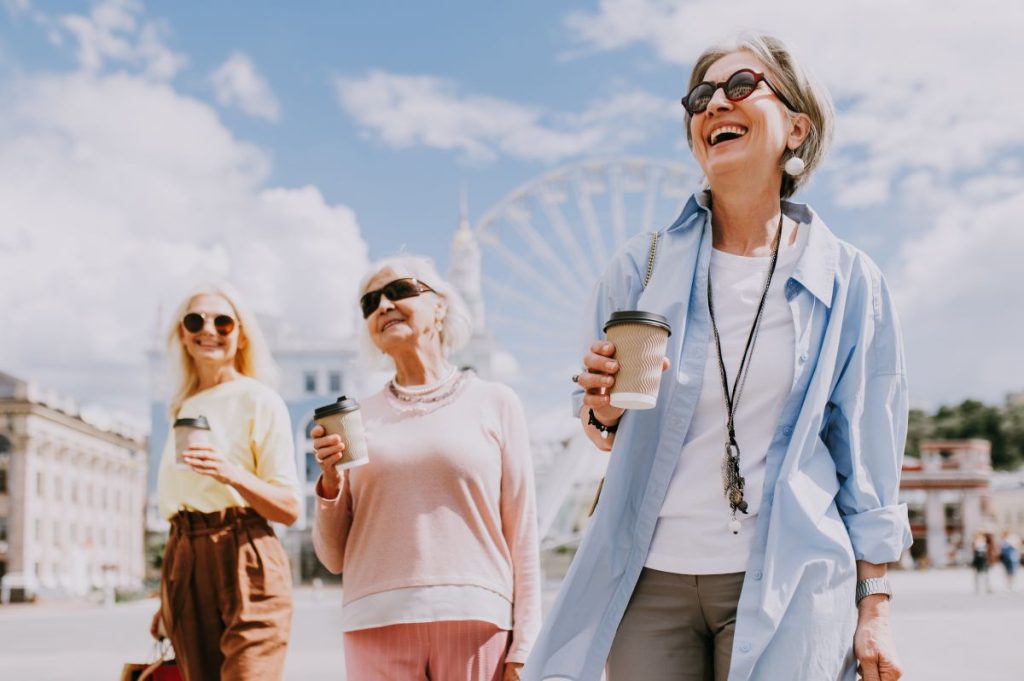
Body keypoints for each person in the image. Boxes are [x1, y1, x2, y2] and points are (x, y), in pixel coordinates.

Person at [524, 33, 910, 681]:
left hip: (792, 577)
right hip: (651, 580)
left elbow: (868, 458)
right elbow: (604, 436)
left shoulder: (850, 281)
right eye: (699, 97)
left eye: (739, 87)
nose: (712, 105)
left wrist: (875, 606)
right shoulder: (638, 269)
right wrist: (600, 409)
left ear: (796, 127)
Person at [312, 256, 541, 681]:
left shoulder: (496, 402)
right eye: (370, 303)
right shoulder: (355, 419)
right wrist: (330, 483)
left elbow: (522, 533)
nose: (383, 305)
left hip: (477, 621)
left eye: (399, 291)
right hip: (373, 622)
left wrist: (525, 646)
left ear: (441, 307)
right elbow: (333, 557)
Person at [149, 283, 301, 681]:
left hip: (245, 551)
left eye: (223, 321)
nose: (209, 329)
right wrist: (167, 598)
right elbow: (182, 501)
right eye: (195, 320)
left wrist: (230, 471)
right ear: (182, 334)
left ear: (241, 334)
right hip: (183, 557)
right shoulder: (181, 407)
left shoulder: (259, 399)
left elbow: (288, 507)